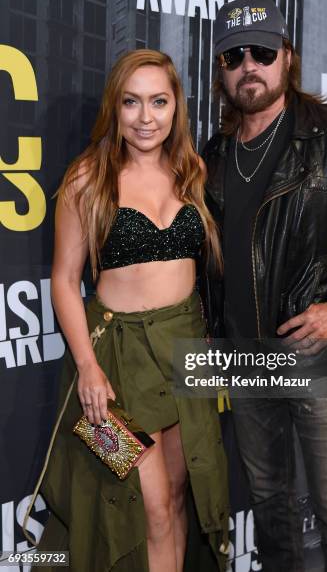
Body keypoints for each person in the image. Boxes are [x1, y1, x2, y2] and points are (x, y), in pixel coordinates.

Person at [202, 0, 327, 571]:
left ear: (287, 58)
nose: (249, 65)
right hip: (243, 359)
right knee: (269, 509)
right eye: (233, 55)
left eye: (262, 52)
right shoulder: (214, 155)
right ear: (220, 69)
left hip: (319, 357)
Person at [33, 49, 229, 572]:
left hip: (186, 354)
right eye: (132, 102)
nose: (146, 117)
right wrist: (88, 369)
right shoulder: (87, 179)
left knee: (180, 496)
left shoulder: (193, 171)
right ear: (114, 108)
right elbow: (62, 279)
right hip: (113, 364)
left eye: (159, 102)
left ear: (176, 107)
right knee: (150, 507)